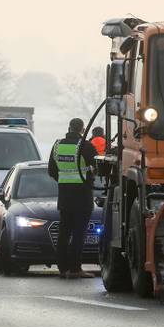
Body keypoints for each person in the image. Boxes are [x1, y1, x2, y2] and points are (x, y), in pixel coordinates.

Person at [48, 117, 97, 279]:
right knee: (79, 233)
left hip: (64, 197)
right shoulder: (86, 146)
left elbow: (52, 171)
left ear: (69, 128)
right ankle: (76, 268)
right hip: (82, 196)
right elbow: (97, 166)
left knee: (64, 233)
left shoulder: (57, 146)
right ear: (82, 130)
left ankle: (63, 268)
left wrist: (65, 181)